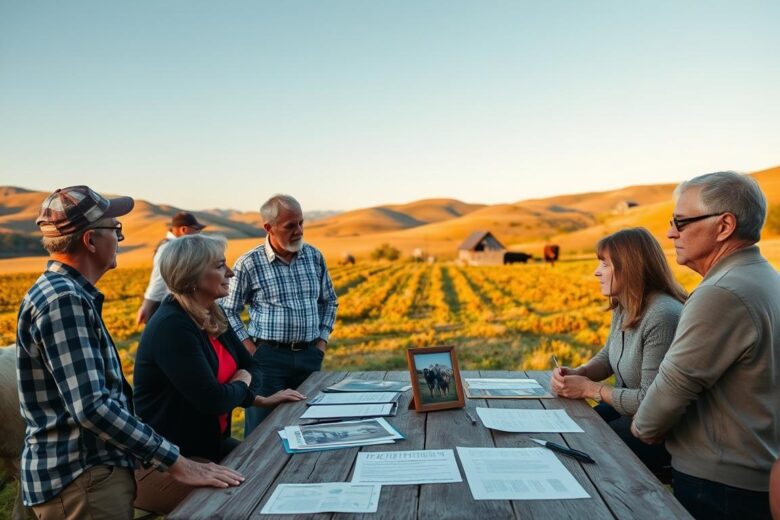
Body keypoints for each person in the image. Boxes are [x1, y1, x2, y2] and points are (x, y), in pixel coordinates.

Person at [16, 186, 244, 520]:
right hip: (84, 477)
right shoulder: (65, 301)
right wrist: (175, 461)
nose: (119, 240)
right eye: (116, 231)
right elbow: (92, 407)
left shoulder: (60, 293)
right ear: (91, 240)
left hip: (84, 474)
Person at [631, 171, 779, 519]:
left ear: (724, 225)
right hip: (757, 470)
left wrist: (641, 428)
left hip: (719, 484)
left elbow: (674, 385)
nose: (670, 233)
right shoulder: (765, 276)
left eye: (680, 222)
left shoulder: (721, 292)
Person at [132, 234, 305, 513]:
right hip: (166, 463)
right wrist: (243, 387)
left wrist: (247, 391)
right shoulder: (172, 327)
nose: (231, 272)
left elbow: (252, 366)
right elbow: (211, 400)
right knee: (253, 499)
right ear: (192, 276)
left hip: (209, 448)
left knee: (280, 471)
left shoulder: (211, 313)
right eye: (220, 266)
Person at [550, 227, 686, 475]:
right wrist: (580, 372)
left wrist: (590, 388)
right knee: (565, 433)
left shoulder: (663, 315)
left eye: (604, 264)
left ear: (630, 266)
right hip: (624, 413)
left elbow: (650, 401)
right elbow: (610, 354)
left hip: (657, 435)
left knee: (575, 451)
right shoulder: (624, 304)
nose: (596, 272)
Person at [222, 194, 338, 435]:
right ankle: (256, 473)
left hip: (309, 356)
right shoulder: (249, 263)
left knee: (310, 424)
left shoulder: (314, 256)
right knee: (262, 430)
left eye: (301, 223)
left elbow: (329, 301)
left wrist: (321, 343)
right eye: (290, 226)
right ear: (269, 228)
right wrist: (251, 349)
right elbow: (228, 310)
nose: (299, 231)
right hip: (267, 359)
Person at [136, 211, 206, 325]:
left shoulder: (172, 246)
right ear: (184, 230)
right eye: (196, 230)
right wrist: (147, 306)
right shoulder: (170, 248)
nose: (199, 234)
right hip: (164, 306)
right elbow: (159, 280)